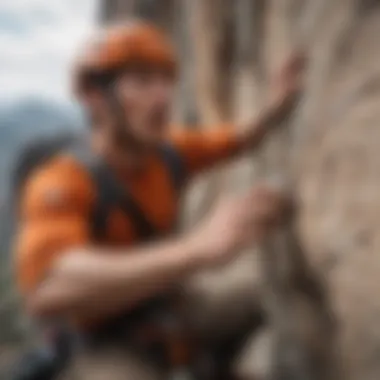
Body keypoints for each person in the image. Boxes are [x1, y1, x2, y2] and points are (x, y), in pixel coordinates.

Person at [14, 20, 303, 380]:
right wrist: (196, 250)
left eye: (166, 80)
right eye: (141, 81)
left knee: (272, 294)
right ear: (95, 97)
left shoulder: (168, 154)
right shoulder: (62, 180)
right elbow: (46, 288)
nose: (163, 96)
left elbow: (233, 140)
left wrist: (277, 104)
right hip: (103, 340)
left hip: (169, 309)